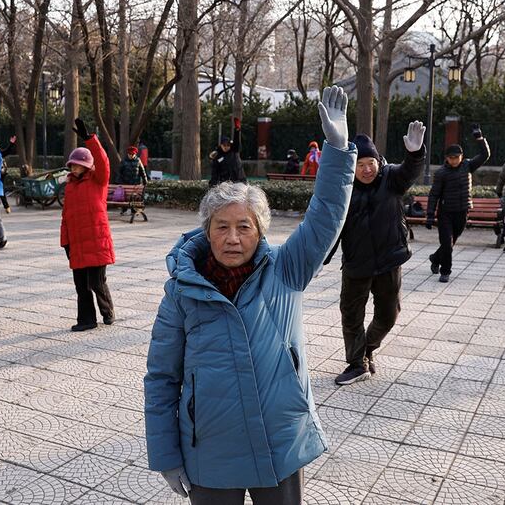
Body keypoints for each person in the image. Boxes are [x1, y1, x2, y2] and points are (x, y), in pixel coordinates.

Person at [144, 86, 356, 504]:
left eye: (244, 226)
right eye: (222, 226)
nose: (233, 237)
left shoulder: (286, 268)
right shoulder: (182, 291)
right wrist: (165, 454)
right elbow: (161, 378)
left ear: (261, 231)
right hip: (210, 450)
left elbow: (325, 217)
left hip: (279, 442)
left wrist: (338, 149)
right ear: (207, 232)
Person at [326, 123, 426, 386]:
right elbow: (330, 221)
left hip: (388, 261)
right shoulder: (344, 188)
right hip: (356, 263)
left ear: (378, 162)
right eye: (360, 164)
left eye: (370, 162)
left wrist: (415, 154)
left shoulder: (391, 178)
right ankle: (357, 363)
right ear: (353, 167)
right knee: (351, 314)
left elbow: (409, 172)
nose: (366, 169)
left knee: (388, 315)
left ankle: (367, 348)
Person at [60, 119, 115, 332]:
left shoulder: (98, 181)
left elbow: (103, 160)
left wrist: (89, 139)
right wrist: (65, 242)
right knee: (81, 286)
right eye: (72, 164)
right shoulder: (70, 188)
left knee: (97, 283)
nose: (74, 168)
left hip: (96, 242)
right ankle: (86, 320)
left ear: (85, 166)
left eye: (77, 164)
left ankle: (107, 312)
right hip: (77, 245)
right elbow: (66, 217)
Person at [426, 124, 490, 282]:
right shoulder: (441, 173)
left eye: (456, 157)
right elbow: (434, 194)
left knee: (451, 242)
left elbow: (485, 155)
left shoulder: (468, 166)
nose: (454, 160)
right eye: (451, 157)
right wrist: (429, 214)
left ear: (461, 156)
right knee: (447, 243)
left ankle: (435, 258)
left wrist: (479, 138)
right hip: (446, 213)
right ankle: (445, 271)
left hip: (462, 211)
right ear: (447, 158)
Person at [209, 118, 246, 186]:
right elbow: (215, 172)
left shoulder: (234, 151)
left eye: (228, 145)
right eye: (224, 145)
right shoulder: (217, 156)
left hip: (239, 182)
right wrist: (212, 184)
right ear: (221, 145)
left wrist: (237, 130)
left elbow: (237, 143)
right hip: (225, 185)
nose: (226, 147)